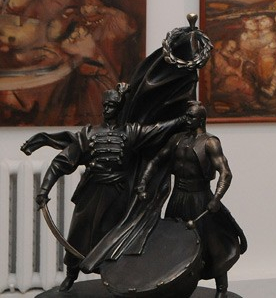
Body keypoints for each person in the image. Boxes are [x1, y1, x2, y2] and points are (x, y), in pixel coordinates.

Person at [21, 84, 190, 292]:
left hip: (118, 194)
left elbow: (157, 129)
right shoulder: (88, 134)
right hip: (91, 193)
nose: (107, 109)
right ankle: (71, 274)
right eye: (105, 105)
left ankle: (114, 279)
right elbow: (61, 162)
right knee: (79, 233)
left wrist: (181, 120)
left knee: (115, 239)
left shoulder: (130, 132)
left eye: (112, 106)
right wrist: (44, 190)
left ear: (119, 109)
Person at [137, 101, 246, 298]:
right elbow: (156, 160)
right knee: (173, 241)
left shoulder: (210, 142)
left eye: (191, 116)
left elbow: (225, 173)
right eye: (186, 115)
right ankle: (174, 285)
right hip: (178, 197)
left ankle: (221, 288)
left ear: (201, 119)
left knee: (212, 243)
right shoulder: (177, 140)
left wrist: (217, 198)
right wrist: (143, 182)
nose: (186, 120)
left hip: (200, 198)